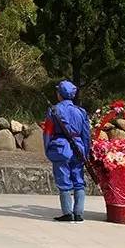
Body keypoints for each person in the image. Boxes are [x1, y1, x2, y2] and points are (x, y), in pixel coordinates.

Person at [41, 80, 89, 223]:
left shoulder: (54, 110)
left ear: (60, 94)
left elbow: (48, 132)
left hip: (60, 147)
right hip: (78, 147)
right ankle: (79, 213)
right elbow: (86, 134)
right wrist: (85, 152)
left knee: (63, 181)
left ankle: (67, 212)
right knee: (79, 181)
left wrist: (47, 148)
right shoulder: (81, 112)